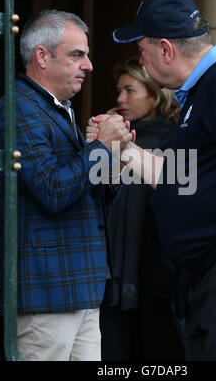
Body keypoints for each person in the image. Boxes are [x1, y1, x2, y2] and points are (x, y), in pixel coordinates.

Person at [88, 0, 216, 360]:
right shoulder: (202, 89)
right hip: (208, 277)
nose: (141, 61)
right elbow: (181, 174)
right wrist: (124, 149)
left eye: (142, 50)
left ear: (165, 49)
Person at [0, 10, 132, 361]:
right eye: (77, 55)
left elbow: (82, 198)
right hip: (47, 294)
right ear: (42, 56)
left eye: (85, 55)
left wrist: (110, 163)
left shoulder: (57, 108)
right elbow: (51, 191)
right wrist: (99, 147)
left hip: (79, 288)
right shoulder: (17, 108)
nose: (88, 65)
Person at [87, 56, 184, 361]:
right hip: (112, 278)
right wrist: (96, 148)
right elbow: (93, 194)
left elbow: (182, 197)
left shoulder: (177, 139)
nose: (120, 99)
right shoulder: (109, 138)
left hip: (156, 277)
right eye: (119, 91)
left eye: (130, 90)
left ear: (155, 94)